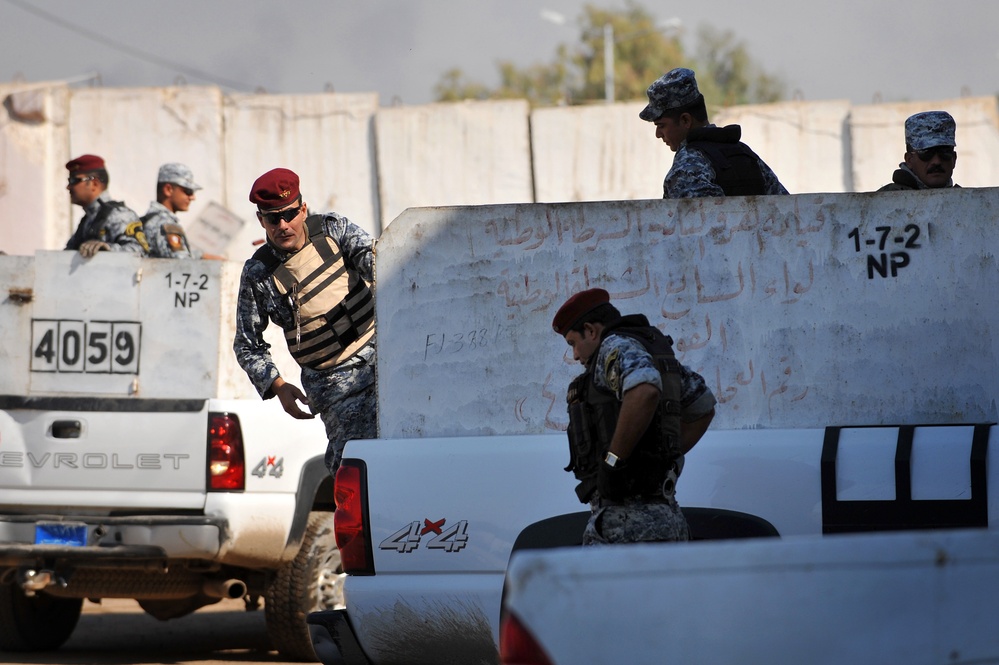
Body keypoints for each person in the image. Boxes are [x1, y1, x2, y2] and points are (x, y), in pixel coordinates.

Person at [233, 167, 376, 475]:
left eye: (289, 214)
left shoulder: (334, 231)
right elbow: (247, 345)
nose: (283, 225)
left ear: (303, 209)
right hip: (337, 389)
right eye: (273, 219)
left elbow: (383, 265)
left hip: (385, 366)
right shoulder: (259, 273)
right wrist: (277, 386)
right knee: (357, 471)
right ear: (261, 220)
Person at [552, 288, 717, 546]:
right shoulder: (651, 348)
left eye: (573, 342)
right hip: (668, 518)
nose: (574, 355)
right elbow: (703, 407)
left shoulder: (612, 347)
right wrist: (660, 456)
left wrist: (613, 461)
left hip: (627, 525)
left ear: (591, 330)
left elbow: (644, 391)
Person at [640, 67, 789, 199]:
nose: (658, 134)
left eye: (661, 125)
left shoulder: (687, 165)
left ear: (685, 120)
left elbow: (695, 226)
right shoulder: (745, 154)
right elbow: (786, 209)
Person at [64, 154, 148, 257]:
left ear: (94, 183)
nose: (68, 187)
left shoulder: (118, 215)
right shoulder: (88, 219)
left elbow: (140, 252)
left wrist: (107, 249)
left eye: (73, 181)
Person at [877, 111, 959, 191]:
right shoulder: (884, 200)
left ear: (954, 159)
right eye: (926, 153)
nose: (936, 161)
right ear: (909, 160)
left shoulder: (966, 200)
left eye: (944, 152)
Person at [143, 163, 203, 258]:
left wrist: (202, 256)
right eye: (188, 191)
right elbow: (183, 264)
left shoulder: (151, 219)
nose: (192, 197)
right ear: (168, 190)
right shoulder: (165, 224)